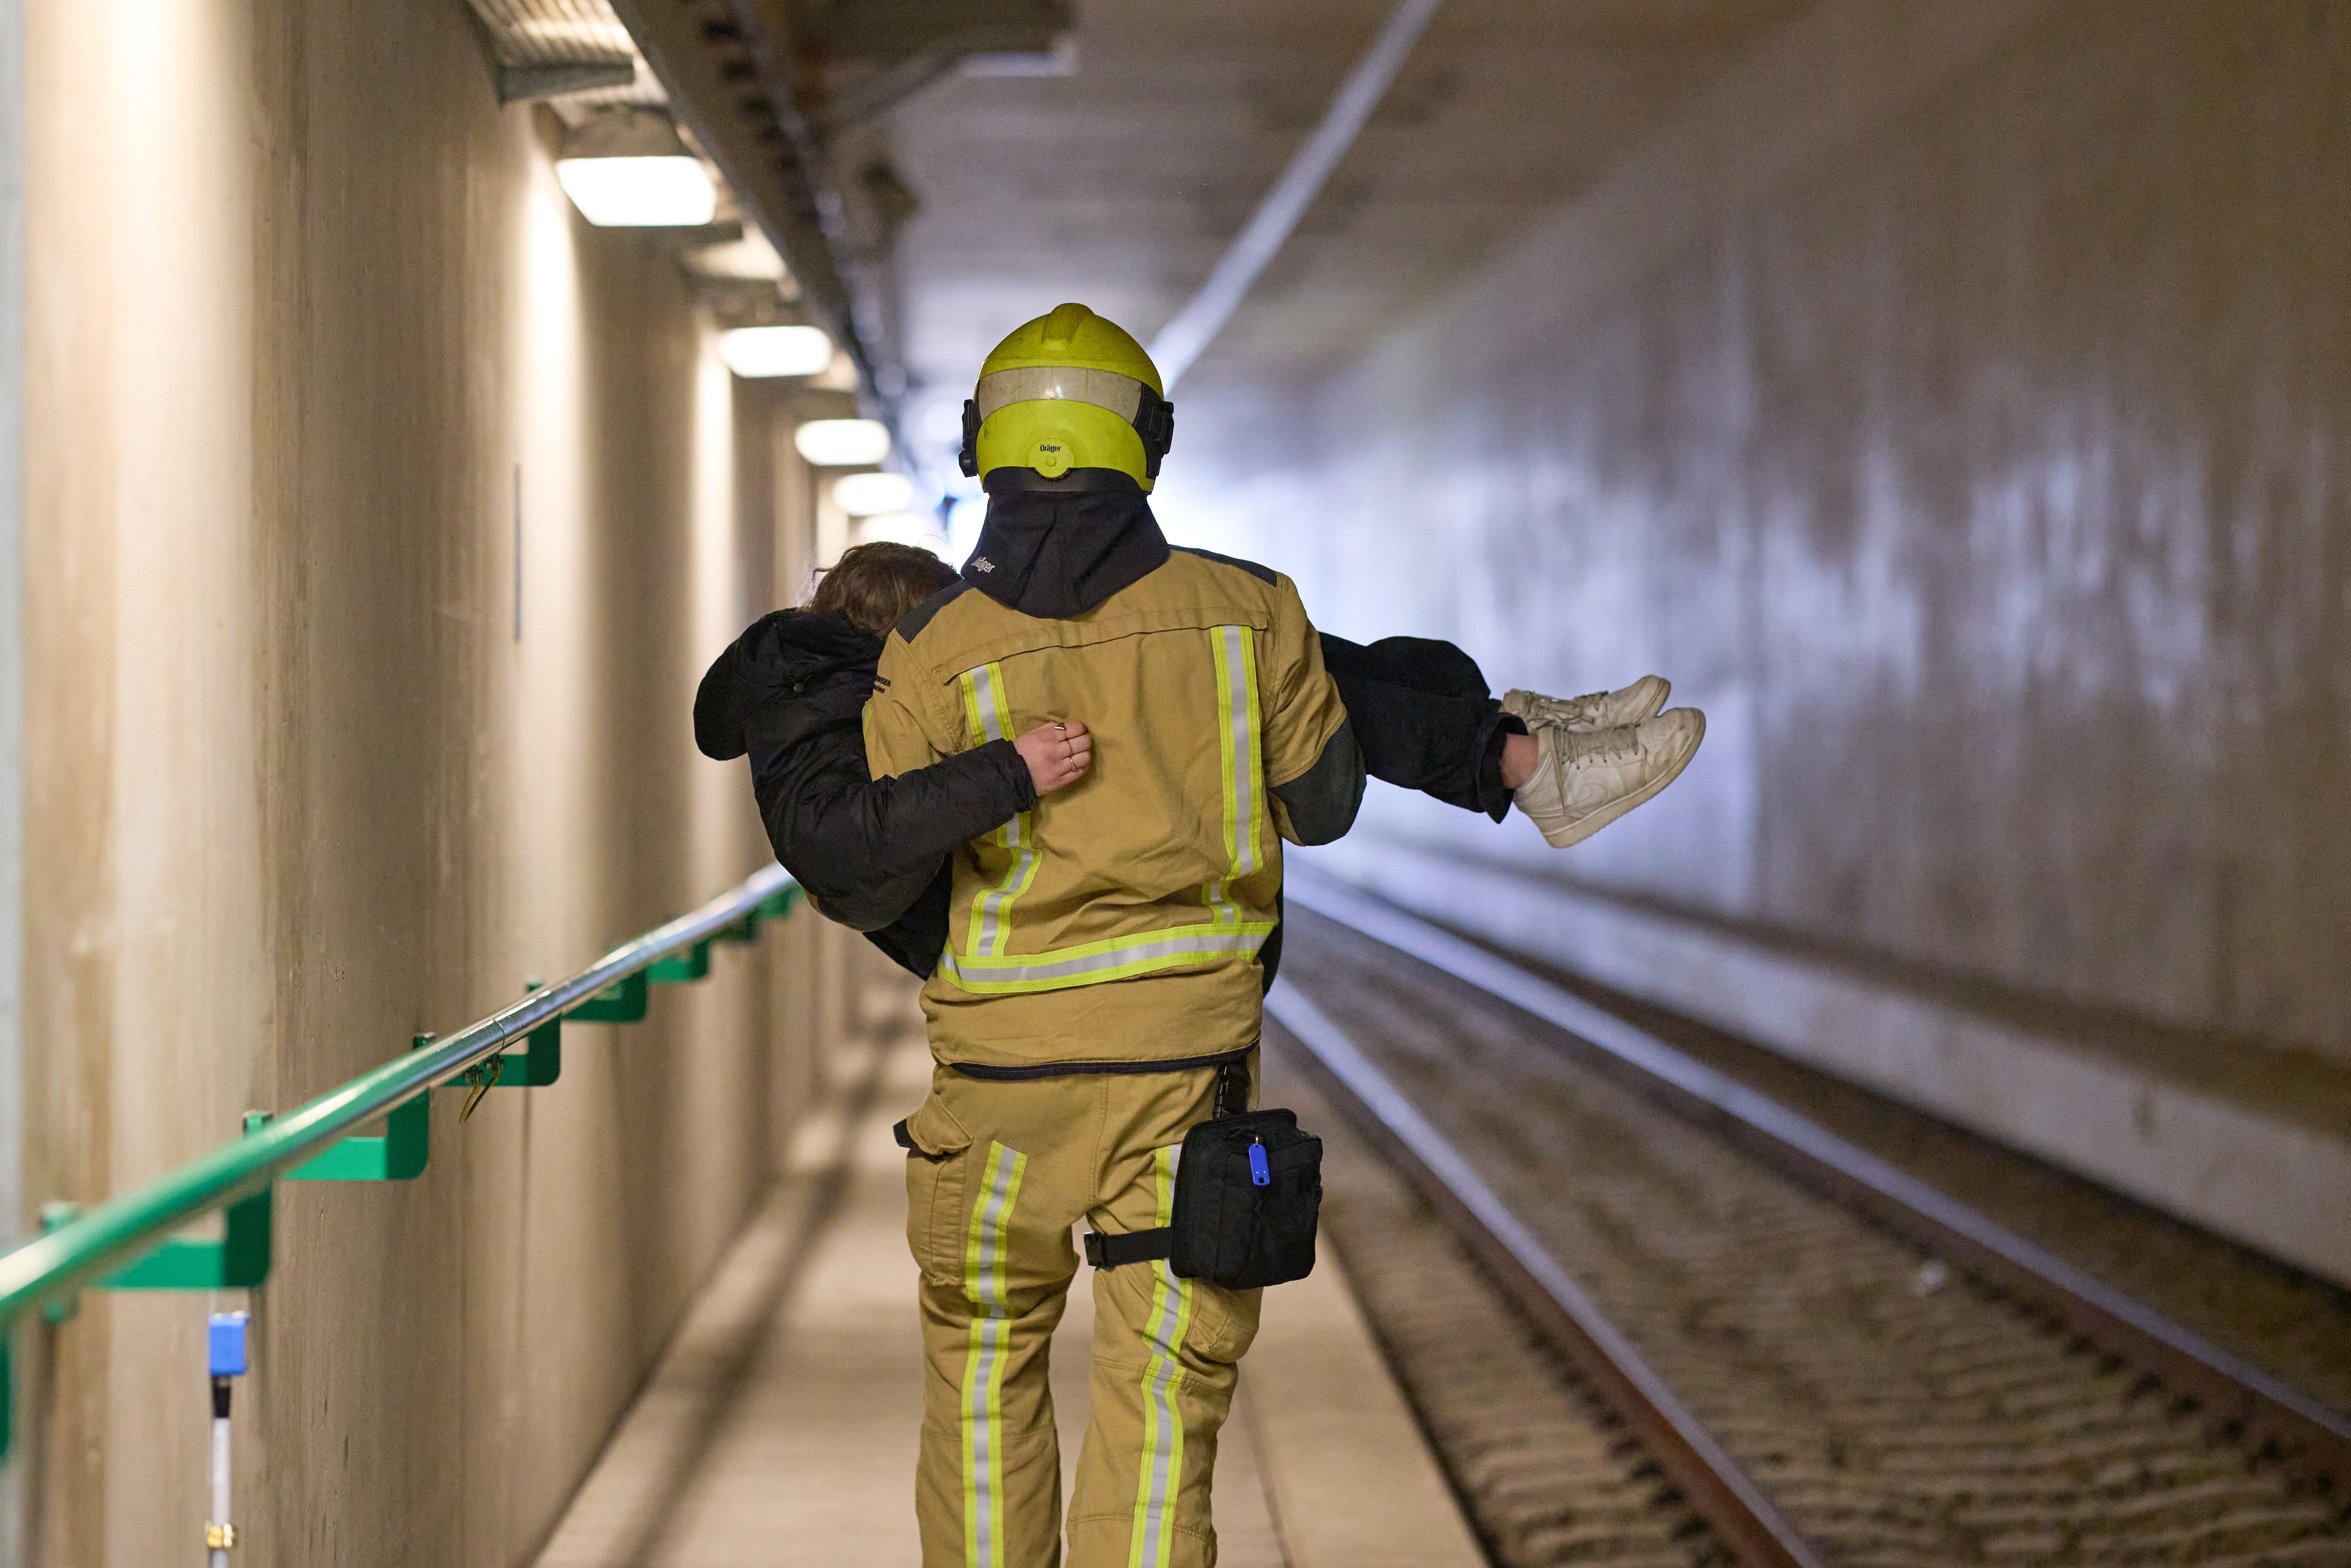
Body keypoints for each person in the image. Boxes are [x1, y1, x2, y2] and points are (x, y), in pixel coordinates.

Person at [839, 304, 1693, 1568]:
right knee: (1164, 1402)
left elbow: (887, 865)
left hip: (995, 1104)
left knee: (979, 1381)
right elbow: (1325, 804)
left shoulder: (928, 654)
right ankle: (1514, 743)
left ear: (983, 448)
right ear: (1152, 444)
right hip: (1182, 1091)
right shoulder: (1248, 614)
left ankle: (1514, 742)